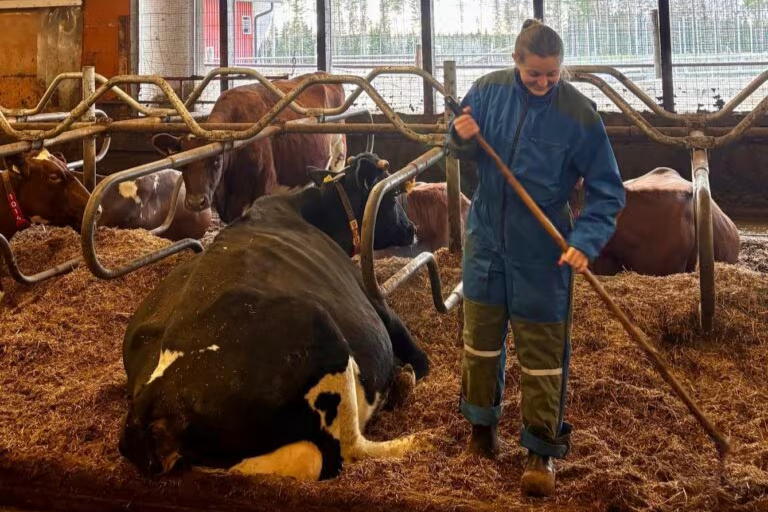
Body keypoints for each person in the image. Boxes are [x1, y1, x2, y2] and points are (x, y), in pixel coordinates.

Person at [447, 19, 626, 497]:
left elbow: (608, 191)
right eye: (534, 76)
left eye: (553, 75)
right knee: (480, 340)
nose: (544, 84)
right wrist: (461, 133)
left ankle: (540, 451)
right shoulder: (486, 92)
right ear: (516, 62)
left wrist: (585, 240)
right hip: (486, 238)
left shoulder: (579, 113)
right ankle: (481, 431)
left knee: (543, 353)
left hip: (543, 248)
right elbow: (457, 141)